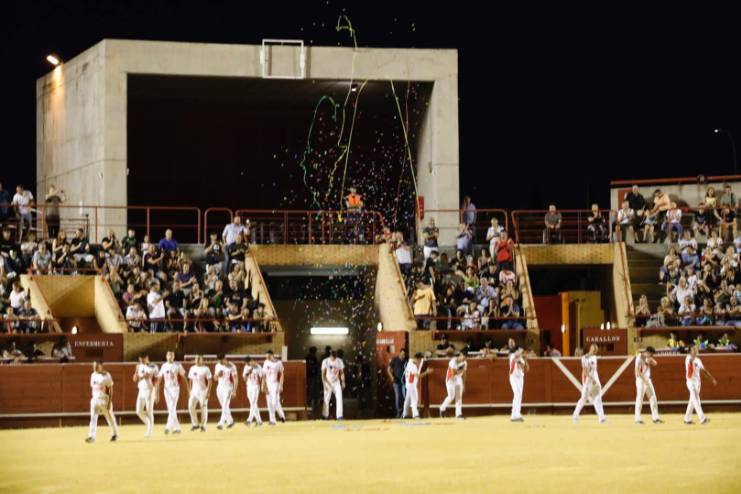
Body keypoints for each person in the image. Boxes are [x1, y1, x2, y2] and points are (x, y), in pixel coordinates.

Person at [85, 361, 118, 443]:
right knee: (93, 418)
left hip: (104, 400)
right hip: (95, 399)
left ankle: (114, 434)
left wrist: (109, 401)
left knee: (109, 417)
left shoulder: (106, 375)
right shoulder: (93, 375)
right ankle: (91, 436)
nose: (94, 367)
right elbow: (94, 387)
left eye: (96, 366)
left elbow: (110, 389)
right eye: (94, 366)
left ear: (101, 366)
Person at [572, 344, 606, 423]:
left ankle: (601, 417)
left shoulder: (593, 358)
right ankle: (575, 415)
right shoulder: (584, 358)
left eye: (595, 349)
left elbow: (591, 370)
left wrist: (593, 379)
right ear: (591, 349)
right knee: (584, 398)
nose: (595, 350)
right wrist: (591, 378)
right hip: (588, 381)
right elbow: (585, 371)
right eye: (594, 349)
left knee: (597, 398)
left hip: (593, 380)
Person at [684, 345, 717, 425]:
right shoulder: (688, 358)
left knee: (692, 401)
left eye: (696, 349)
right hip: (690, 382)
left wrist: (712, 378)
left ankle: (687, 418)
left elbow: (704, 371)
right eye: (693, 349)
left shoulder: (698, 360)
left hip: (697, 383)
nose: (696, 350)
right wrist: (694, 354)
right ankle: (702, 418)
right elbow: (690, 363)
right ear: (690, 351)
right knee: (696, 400)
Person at [158, 351, 187, 434]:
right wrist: (157, 392)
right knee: (171, 409)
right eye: (168, 355)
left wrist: (187, 389)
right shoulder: (164, 366)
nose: (170, 357)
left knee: (172, 407)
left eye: (171, 355)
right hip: (166, 389)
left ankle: (167, 427)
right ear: (166, 356)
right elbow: (159, 378)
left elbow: (184, 377)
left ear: (174, 357)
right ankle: (177, 428)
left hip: (175, 389)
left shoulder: (178, 365)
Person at [634, 346, 662, 424]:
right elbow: (637, 371)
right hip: (640, 380)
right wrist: (644, 380)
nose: (652, 356)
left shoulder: (647, 358)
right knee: (640, 398)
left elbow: (655, 363)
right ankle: (637, 419)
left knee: (653, 397)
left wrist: (650, 359)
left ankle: (655, 417)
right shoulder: (639, 358)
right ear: (648, 352)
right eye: (652, 354)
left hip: (647, 379)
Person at [133, 353, 158, 437]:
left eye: (143, 359)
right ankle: (149, 425)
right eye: (140, 360)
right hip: (141, 390)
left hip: (150, 390)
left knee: (149, 411)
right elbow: (134, 379)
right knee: (138, 411)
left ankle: (150, 431)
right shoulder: (139, 366)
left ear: (147, 358)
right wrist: (136, 372)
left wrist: (157, 394)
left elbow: (156, 380)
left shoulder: (153, 366)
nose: (142, 361)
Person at [402, 352, 433, 419]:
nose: (420, 362)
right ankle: (415, 414)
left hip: (409, 383)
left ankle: (405, 414)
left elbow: (422, 360)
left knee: (408, 400)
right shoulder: (412, 366)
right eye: (420, 360)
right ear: (417, 359)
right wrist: (426, 372)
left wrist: (425, 358)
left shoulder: (411, 362)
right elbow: (418, 376)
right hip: (411, 384)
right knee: (414, 399)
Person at [187, 354, 212, 431]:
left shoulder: (206, 368)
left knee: (203, 408)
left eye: (199, 359)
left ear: (202, 360)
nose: (197, 360)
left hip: (203, 391)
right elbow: (190, 380)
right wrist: (190, 390)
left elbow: (210, 381)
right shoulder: (192, 368)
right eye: (196, 359)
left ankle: (203, 425)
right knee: (190, 406)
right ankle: (195, 424)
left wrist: (208, 392)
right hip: (194, 391)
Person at [439, 352, 466, 419]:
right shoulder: (452, 362)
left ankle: (458, 414)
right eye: (463, 356)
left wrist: (463, 383)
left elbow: (464, 373)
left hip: (458, 379)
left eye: (465, 357)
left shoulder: (464, 362)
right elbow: (453, 373)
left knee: (458, 397)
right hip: (450, 379)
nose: (464, 358)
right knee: (451, 396)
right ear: (459, 356)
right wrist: (460, 370)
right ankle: (442, 408)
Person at [214, 354, 238, 429]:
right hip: (219, 388)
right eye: (218, 361)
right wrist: (218, 375)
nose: (220, 362)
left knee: (224, 406)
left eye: (221, 361)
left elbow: (235, 378)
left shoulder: (232, 366)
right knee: (224, 406)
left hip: (228, 388)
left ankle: (221, 423)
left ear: (224, 359)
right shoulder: (217, 365)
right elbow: (215, 378)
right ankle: (230, 421)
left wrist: (234, 390)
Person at [262, 350, 286, 425]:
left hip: (275, 384)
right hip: (268, 384)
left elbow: (282, 374)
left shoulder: (278, 363)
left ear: (272, 355)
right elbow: (264, 375)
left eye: (269, 356)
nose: (267, 358)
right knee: (269, 403)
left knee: (274, 402)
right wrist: (263, 386)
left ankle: (281, 416)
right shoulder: (265, 363)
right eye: (266, 357)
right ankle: (273, 420)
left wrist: (281, 385)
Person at [321, 350, 346, 420]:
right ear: (330, 355)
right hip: (328, 381)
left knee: (339, 398)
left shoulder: (339, 361)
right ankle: (325, 415)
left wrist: (343, 381)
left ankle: (339, 416)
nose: (333, 358)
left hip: (336, 382)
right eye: (332, 356)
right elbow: (323, 374)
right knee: (326, 399)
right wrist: (324, 384)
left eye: (335, 356)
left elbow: (342, 373)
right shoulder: (325, 361)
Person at [509, 347, 529, 422]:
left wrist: (525, 360)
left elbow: (527, 369)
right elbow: (515, 359)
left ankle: (514, 414)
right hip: (513, 378)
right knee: (517, 394)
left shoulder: (522, 359)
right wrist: (521, 355)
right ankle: (516, 414)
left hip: (520, 378)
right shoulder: (512, 356)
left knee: (519, 396)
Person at [386, 348, 407, 418]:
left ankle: (404, 412)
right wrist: (391, 377)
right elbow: (388, 369)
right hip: (396, 381)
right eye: (402, 354)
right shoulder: (394, 360)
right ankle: (399, 413)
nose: (403, 356)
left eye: (404, 354)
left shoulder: (406, 361)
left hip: (404, 381)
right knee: (398, 396)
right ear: (400, 353)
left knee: (404, 396)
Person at [242, 356, 263, 426]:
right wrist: (248, 373)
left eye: (248, 363)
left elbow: (262, 377)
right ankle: (259, 421)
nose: (247, 364)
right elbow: (244, 379)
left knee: (253, 403)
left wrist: (262, 384)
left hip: (256, 387)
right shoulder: (246, 367)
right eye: (246, 363)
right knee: (253, 404)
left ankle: (249, 420)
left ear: (251, 361)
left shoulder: (258, 367)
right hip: (249, 387)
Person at [305, 346, 321, 419]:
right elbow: (308, 366)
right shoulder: (308, 358)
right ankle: (309, 404)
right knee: (310, 390)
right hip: (310, 377)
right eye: (314, 351)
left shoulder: (314, 358)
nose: (314, 352)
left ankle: (315, 404)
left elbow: (317, 366)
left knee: (315, 390)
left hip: (315, 376)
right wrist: (314, 366)